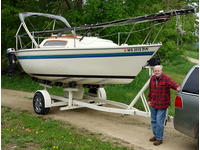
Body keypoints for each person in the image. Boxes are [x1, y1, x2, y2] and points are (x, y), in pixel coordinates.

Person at [148, 65, 180, 146]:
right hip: (153, 103)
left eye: (158, 70)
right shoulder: (152, 78)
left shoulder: (166, 78)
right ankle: (155, 135)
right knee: (153, 120)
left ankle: (159, 139)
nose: (156, 72)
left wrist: (178, 88)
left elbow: (174, 84)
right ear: (153, 71)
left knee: (159, 121)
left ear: (161, 71)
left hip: (162, 104)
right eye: (155, 71)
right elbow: (150, 90)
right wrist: (149, 100)